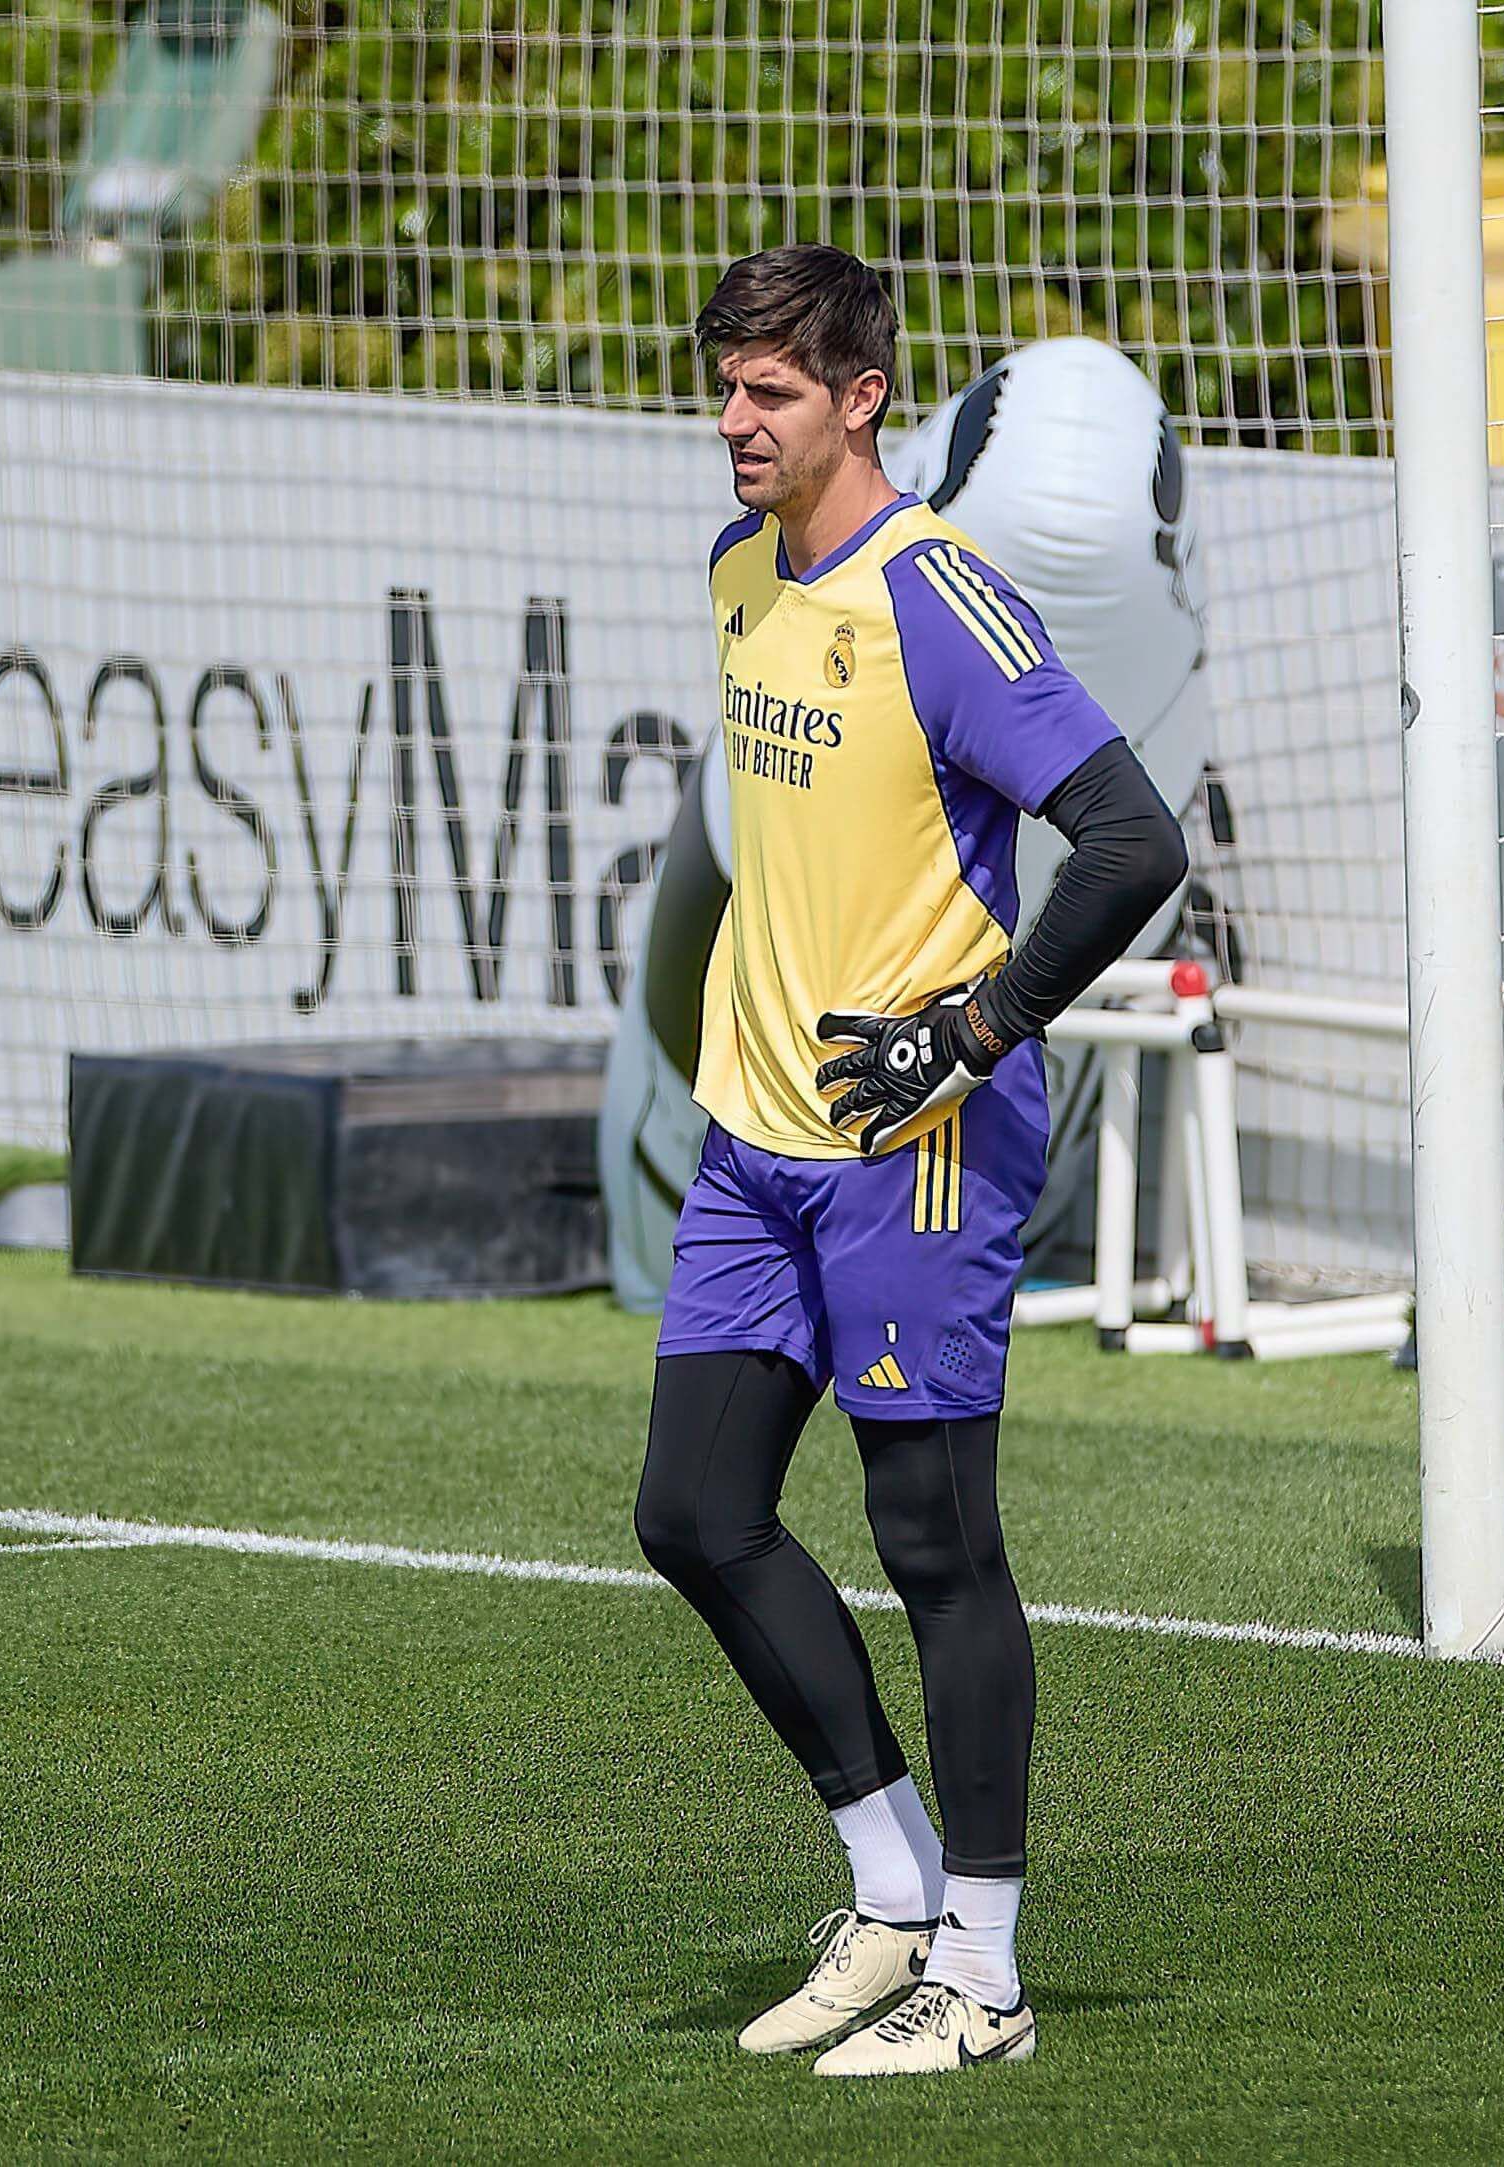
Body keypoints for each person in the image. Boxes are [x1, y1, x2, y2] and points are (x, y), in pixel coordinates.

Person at [632, 245, 1187, 2076]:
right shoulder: (738, 570)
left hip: (915, 1142)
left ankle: (989, 1976)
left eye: (771, 391)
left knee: (935, 1543)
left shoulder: (940, 596)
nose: (734, 420)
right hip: (759, 1136)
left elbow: (1129, 838)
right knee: (692, 1512)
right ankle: (892, 1894)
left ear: (863, 398)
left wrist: (976, 1027)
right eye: (723, 386)